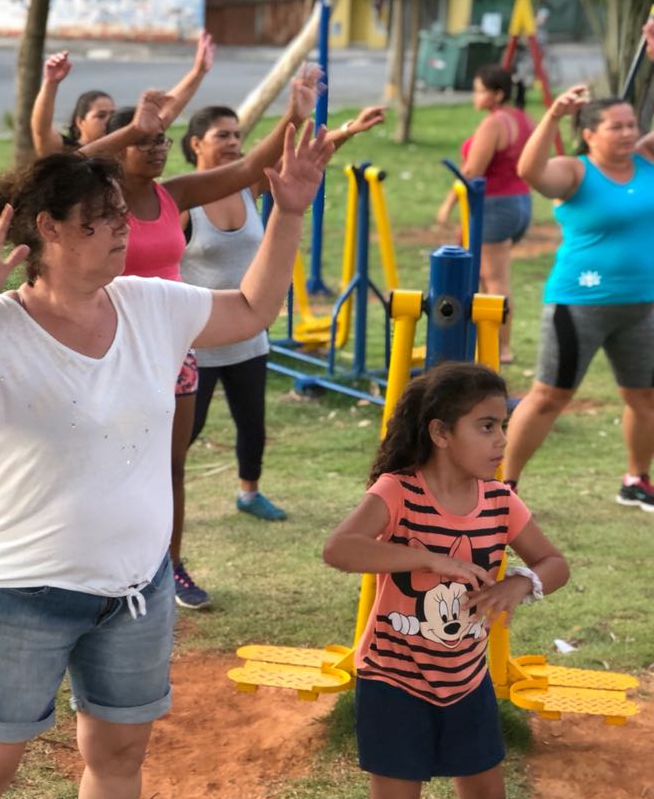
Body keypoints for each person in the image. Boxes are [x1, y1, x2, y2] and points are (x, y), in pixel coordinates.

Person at [0, 121, 335, 799]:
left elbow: (250, 308)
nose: (120, 232)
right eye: (98, 221)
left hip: (135, 588)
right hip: (15, 590)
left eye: (120, 218)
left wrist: (290, 212)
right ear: (48, 229)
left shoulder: (149, 304)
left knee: (120, 752)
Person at [75, 65, 321, 609]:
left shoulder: (175, 195)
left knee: (171, 465)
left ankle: (170, 567)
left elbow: (250, 167)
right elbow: (59, 168)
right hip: (110, 349)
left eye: (162, 140)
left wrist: (293, 115)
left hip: (172, 349)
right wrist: (131, 128)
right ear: (119, 148)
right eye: (145, 141)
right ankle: (100, 566)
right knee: (107, 462)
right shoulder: (92, 203)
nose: (157, 149)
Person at [324, 362, 569, 799]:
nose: (501, 440)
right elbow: (340, 549)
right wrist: (427, 559)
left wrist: (519, 584)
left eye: (503, 425)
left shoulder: (501, 501)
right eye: (486, 426)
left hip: (466, 682)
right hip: (393, 680)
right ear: (440, 433)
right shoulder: (399, 491)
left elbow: (555, 563)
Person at [180, 102, 385, 523]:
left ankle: (249, 492)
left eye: (237, 134)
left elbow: (305, 156)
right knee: (187, 428)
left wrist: (350, 129)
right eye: (222, 135)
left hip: (248, 335)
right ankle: (162, 489)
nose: (233, 142)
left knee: (252, 423)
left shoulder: (248, 187)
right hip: (199, 341)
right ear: (196, 143)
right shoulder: (185, 203)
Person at [503, 83, 654, 509]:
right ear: (589, 133)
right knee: (549, 397)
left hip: (642, 305)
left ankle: (636, 480)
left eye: (632, 125)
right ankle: (503, 486)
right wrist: (553, 115)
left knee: (643, 397)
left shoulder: (647, 158)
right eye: (615, 127)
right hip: (580, 304)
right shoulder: (574, 171)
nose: (628, 133)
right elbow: (530, 171)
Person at [436, 65, 534, 363]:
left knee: (495, 280)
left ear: (498, 94)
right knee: (484, 275)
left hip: (493, 205)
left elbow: (472, 171)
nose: (474, 96)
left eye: (479, 90)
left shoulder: (493, 124)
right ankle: (484, 341)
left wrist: (448, 203)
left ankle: (502, 348)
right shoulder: (523, 118)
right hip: (520, 203)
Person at [30, 31, 215, 157]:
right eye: (100, 115)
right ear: (80, 122)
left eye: (112, 113)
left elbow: (167, 112)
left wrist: (198, 72)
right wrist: (50, 84)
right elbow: (40, 130)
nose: (109, 119)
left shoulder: (125, 145)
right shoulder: (66, 153)